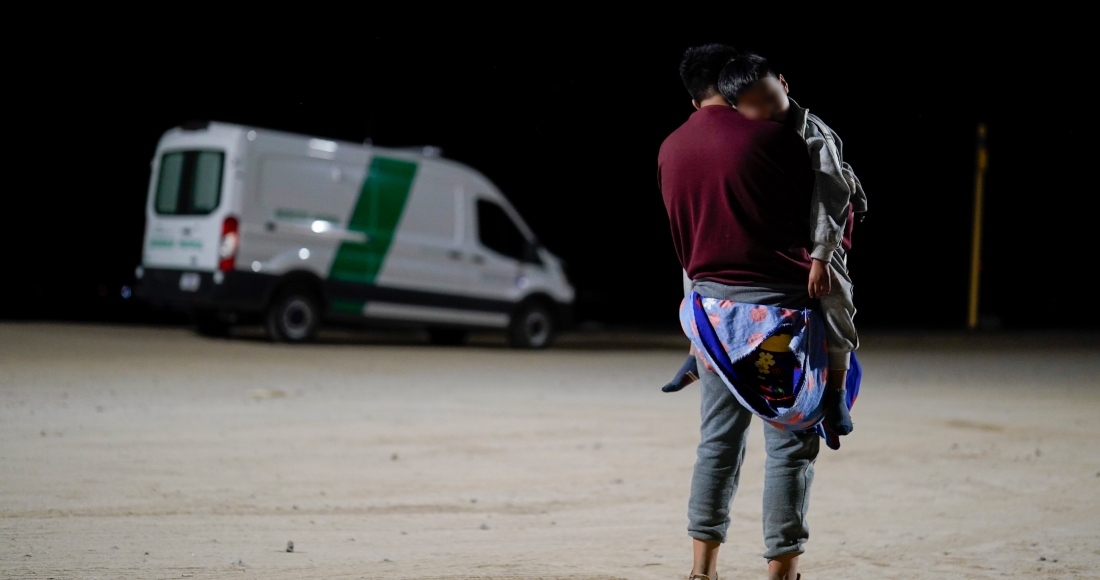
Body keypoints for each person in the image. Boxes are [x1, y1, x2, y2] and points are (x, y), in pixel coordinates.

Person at [658, 43, 840, 580]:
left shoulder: (670, 148)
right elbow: (829, 217)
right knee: (790, 444)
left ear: (695, 100)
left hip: (711, 317)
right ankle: (782, 570)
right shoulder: (778, 137)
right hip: (778, 315)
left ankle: (702, 569)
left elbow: (683, 242)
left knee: (717, 443)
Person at [717, 51, 867, 402]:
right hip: (780, 234)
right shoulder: (745, 135)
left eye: (771, 98)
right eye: (754, 106)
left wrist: (822, 258)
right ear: (735, 108)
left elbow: (832, 198)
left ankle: (837, 392)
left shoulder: (813, 135)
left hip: (825, 227)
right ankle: (699, 355)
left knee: (836, 297)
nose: (767, 110)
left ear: (783, 83)